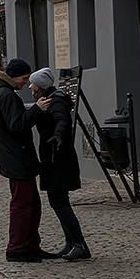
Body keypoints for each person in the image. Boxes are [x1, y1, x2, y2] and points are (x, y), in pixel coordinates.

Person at [0, 58, 48, 262]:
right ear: (13, 76)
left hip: (13, 155)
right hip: (16, 156)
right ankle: (17, 248)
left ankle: (30, 244)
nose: (25, 83)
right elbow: (17, 124)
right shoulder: (6, 95)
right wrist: (37, 109)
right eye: (23, 78)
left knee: (31, 203)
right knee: (22, 205)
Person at [30, 67, 91, 261]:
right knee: (60, 201)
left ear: (40, 86)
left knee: (59, 202)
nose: (30, 86)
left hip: (59, 159)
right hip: (54, 157)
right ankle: (71, 243)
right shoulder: (49, 99)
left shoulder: (55, 101)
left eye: (33, 83)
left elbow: (62, 121)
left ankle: (80, 244)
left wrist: (57, 136)